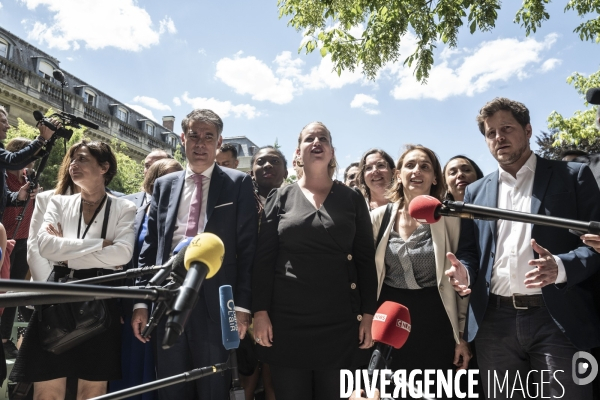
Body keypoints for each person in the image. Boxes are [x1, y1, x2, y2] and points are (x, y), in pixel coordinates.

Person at [446, 97, 600, 399]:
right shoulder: (475, 192)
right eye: (490, 133)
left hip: (555, 318)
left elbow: (596, 246)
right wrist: (465, 271)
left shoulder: (573, 176)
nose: (498, 138)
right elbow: (471, 251)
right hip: (494, 322)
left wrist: (562, 266)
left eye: (506, 128)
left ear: (528, 130)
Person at [131, 109, 257, 399]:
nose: (200, 144)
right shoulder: (164, 185)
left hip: (217, 303)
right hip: (168, 298)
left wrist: (242, 308)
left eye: (208, 137)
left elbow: (248, 249)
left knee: (212, 389)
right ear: (182, 139)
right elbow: (149, 248)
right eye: (194, 136)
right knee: (170, 389)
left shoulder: (237, 184)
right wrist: (141, 300)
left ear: (218, 142)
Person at [252, 121, 377, 400]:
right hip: (287, 324)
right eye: (310, 139)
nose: (316, 142)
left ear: (332, 152)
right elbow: (263, 260)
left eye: (323, 138)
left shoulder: (353, 198)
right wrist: (260, 312)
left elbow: (366, 260)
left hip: (341, 323)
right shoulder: (280, 196)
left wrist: (369, 314)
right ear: (299, 152)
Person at [11, 140, 136, 400]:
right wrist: (101, 245)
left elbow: (123, 254)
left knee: (93, 390)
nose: (72, 165)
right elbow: (45, 246)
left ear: (104, 167)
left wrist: (66, 255)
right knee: (47, 389)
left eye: (81, 159)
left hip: (99, 298)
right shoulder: (57, 203)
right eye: (72, 160)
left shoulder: (124, 207)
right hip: (57, 295)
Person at [370, 145, 470, 394]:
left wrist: (461, 337)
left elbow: (462, 284)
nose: (417, 171)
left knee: (434, 391)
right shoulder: (378, 218)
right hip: (391, 318)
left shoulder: (451, 219)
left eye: (425, 166)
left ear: (435, 177)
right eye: (410, 165)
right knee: (390, 391)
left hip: (436, 321)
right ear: (398, 173)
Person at [110, 158, 183, 400]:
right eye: (166, 178)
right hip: (137, 304)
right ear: (152, 182)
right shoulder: (133, 212)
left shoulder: (186, 215)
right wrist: (124, 304)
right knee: (131, 373)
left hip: (172, 305)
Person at [0, 137, 37, 359]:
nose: (30, 164)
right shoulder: (4, 175)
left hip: (24, 239)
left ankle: (5, 338)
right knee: (3, 289)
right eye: (29, 159)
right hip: (5, 237)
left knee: (15, 291)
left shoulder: (27, 177)